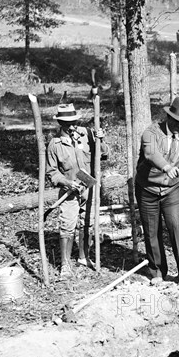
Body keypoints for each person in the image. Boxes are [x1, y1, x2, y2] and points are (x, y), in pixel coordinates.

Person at [135, 96, 179, 285]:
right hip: (148, 189)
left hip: (172, 190)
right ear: (169, 118)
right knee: (152, 231)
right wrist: (167, 167)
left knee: (176, 226)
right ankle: (157, 272)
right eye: (178, 122)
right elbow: (151, 153)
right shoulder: (151, 133)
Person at [46, 103, 109, 277]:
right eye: (69, 123)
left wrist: (101, 140)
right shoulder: (55, 145)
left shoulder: (87, 134)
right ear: (61, 124)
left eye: (75, 121)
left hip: (89, 188)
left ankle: (84, 256)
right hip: (69, 192)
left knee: (87, 222)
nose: (74, 126)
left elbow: (104, 154)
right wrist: (66, 182)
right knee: (67, 225)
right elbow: (52, 172)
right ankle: (65, 265)